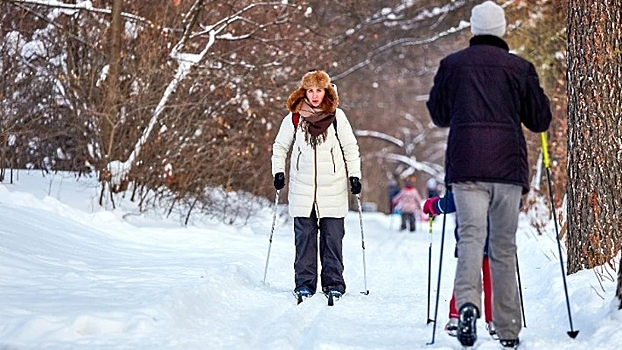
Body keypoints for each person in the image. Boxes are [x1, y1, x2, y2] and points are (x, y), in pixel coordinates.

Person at [426, 1, 552, 348]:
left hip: (466, 167)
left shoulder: (452, 65)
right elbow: (539, 120)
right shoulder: (519, 67)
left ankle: (467, 306)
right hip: (508, 169)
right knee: (503, 247)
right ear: (501, 29)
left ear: (473, 28)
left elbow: (438, 114)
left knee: (469, 239)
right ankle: (508, 328)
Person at [271, 70, 362, 304]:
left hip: (333, 188)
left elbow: (350, 147)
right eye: (310, 90)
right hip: (302, 189)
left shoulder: (337, 117)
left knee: (332, 239)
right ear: (304, 92)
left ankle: (333, 284)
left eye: (319, 90)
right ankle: (304, 284)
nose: (314, 96)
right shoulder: (294, 117)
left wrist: (355, 176)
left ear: (326, 91)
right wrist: (278, 171)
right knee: (304, 240)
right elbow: (280, 146)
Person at [423, 192, 497, 340]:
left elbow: (451, 201)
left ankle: (456, 317)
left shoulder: (463, 170)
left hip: (469, 237)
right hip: (495, 237)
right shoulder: (502, 172)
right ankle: (495, 321)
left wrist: (433, 205)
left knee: (466, 277)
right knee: (493, 280)